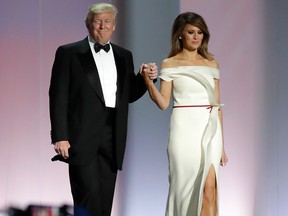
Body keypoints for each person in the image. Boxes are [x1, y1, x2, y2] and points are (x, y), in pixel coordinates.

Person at [49, 3, 157, 216]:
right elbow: (58, 96)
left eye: (107, 21)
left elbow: (128, 95)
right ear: (88, 24)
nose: (102, 26)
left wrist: (145, 79)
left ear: (114, 26)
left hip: (112, 136)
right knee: (86, 197)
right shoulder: (68, 53)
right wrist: (60, 136)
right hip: (82, 136)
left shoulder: (123, 56)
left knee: (104, 201)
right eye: (97, 21)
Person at [141, 12, 228, 216]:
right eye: (191, 32)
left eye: (200, 33)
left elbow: (217, 105)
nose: (196, 37)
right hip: (183, 131)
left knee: (210, 189)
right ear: (180, 34)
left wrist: (222, 146)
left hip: (210, 129)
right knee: (184, 191)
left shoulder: (211, 64)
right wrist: (147, 82)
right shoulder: (170, 64)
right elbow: (163, 103)